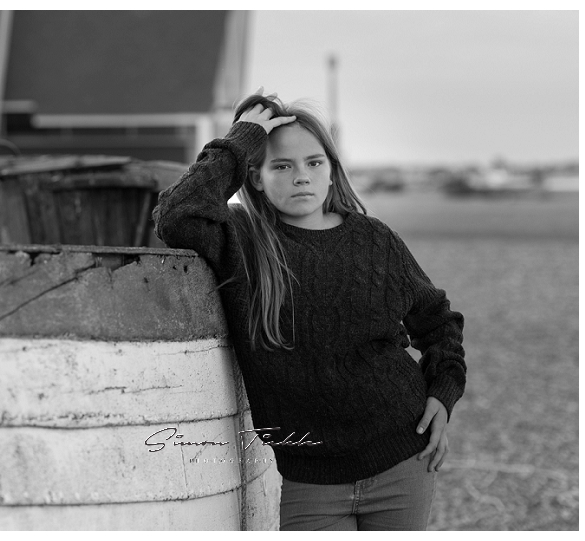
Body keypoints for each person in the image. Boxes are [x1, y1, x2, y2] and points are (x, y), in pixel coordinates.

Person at [152, 89, 466, 531]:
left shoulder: (375, 239)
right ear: (255, 178)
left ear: (332, 172)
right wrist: (243, 139)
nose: (301, 176)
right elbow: (176, 215)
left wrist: (443, 392)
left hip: (402, 456)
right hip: (309, 480)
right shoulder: (242, 240)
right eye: (282, 165)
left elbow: (438, 321)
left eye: (314, 163)